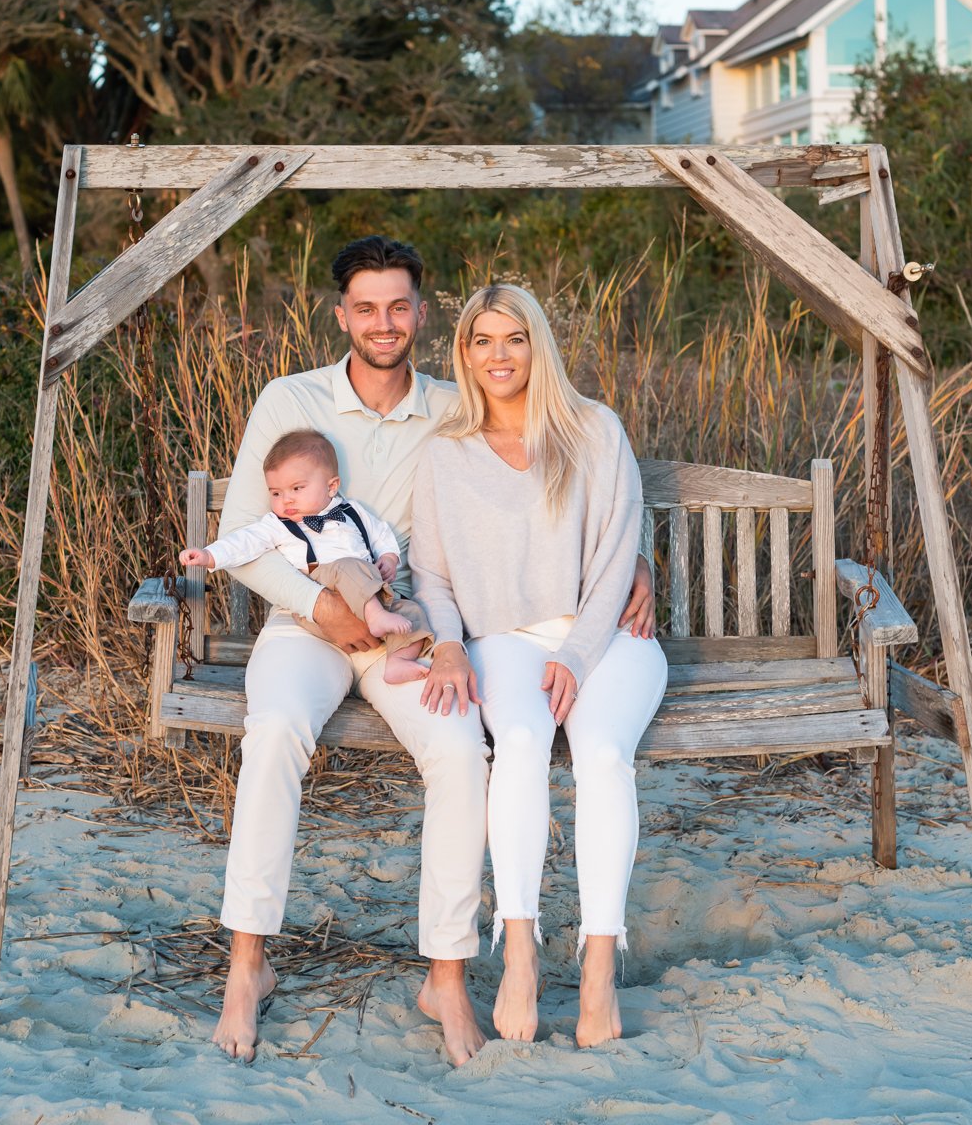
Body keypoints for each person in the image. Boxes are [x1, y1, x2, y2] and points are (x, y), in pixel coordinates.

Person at [208, 238, 655, 1066]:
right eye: (366, 308)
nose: (384, 323)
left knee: (461, 750)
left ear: (422, 313)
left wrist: (643, 559)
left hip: (411, 634)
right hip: (306, 625)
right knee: (273, 730)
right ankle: (248, 966)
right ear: (341, 315)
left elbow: (601, 479)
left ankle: (445, 975)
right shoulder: (289, 399)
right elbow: (246, 537)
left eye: (400, 306)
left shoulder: (460, 405)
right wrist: (324, 609)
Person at [409, 283, 668, 1049]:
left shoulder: (593, 430)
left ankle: (596, 968)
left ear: (538, 345)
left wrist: (580, 657)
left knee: (601, 754)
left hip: (609, 637)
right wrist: (449, 642)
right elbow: (431, 577)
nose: (498, 355)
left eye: (514, 339)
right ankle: (518, 952)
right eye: (482, 341)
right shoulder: (445, 453)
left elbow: (621, 552)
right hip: (501, 643)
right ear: (463, 352)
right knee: (517, 744)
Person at [179, 428, 432, 683]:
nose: (286, 500)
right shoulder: (278, 525)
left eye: (296, 488)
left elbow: (380, 534)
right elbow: (245, 541)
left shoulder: (351, 510)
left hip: (372, 591)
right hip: (323, 589)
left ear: (332, 486)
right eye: (276, 493)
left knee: (413, 613)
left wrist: (388, 558)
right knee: (348, 567)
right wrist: (209, 555)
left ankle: (398, 662)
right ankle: (375, 617)